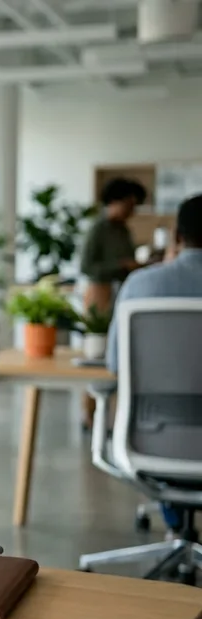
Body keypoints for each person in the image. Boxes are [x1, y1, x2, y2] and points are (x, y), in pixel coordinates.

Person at [104, 194, 202, 534]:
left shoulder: (141, 285)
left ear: (177, 236)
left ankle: (177, 524)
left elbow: (115, 362)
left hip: (153, 441)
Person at [80, 178, 151, 430]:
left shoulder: (123, 230)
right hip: (99, 293)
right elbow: (86, 266)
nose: (133, 210)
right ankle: (89, 415)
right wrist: (120, 265)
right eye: (130, 204)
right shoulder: (99, 228)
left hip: (121, 292)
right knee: (96, 353)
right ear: (115, 202)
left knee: (120, 353)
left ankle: (113, 417)